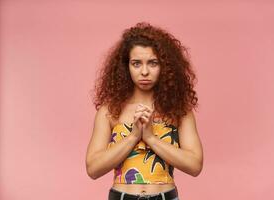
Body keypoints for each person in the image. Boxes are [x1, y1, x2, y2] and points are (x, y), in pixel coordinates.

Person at [86, 22, 204, 200]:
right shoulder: (109, 111)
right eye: (136, 63)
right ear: (126, 67)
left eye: (153, 63)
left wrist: (150, 138)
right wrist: (134, 136)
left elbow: (195, 165)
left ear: (165, 66)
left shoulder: (179, 109)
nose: (144, 71)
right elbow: (93, 168)